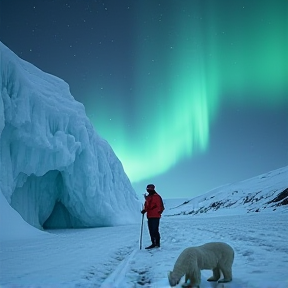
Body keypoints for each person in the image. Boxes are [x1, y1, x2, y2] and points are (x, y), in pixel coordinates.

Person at [141, 184, 165, 249]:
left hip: (155, 216)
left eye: (149, 189)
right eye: (147, 189)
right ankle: (153, 243)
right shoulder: (148, 197)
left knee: (154, 230)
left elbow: (160, 206)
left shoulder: (157, 197)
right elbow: (146, 206)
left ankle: (157, 243)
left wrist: (158, 211)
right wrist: (144, 210)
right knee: (151, 230)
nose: (148, 190)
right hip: (150, 215)